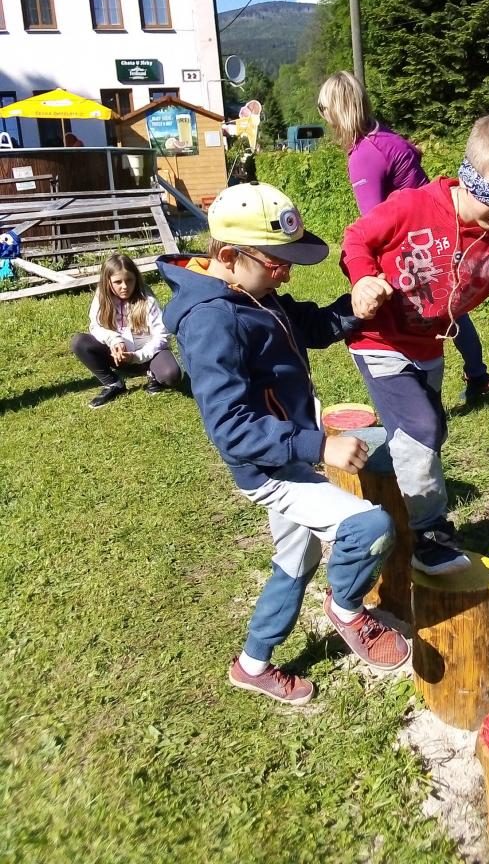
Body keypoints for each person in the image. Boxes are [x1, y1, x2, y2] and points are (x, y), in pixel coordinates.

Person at [157, 182, 409, 705]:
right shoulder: (212, 321)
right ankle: (346, 609)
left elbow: (308, 325)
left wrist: (356, 307)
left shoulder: (254, 293)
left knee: (297, 559)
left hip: (284, 453)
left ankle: (252, 665)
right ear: (230, 256)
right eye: (277, 263)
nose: (287, 273)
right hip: (269, 467)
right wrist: (318, 447)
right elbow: (231, 427)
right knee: (369, 526)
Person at [340, 111, 489, 576]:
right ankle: (429, 536)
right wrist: (363, 279)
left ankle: (382, 488)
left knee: (428, 430)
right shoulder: (413, 206)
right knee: (421, 428)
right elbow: (357, 237)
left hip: (428, 349)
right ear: (470, 175)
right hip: (379, 341)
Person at [317, 70, 489, 403]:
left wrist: (366, 275)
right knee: (451, 306)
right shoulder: (385, 137)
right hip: (442, 229)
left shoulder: (365, 154)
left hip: (416, 240)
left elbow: (374, 222)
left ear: (337, 109)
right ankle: (477, 375)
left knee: (424, 311)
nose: (323, 116)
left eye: (323, 108)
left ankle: (410, 383)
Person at [71, 253, 181, 409]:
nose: (124, 286)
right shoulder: (102, 298)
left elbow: (162, 335)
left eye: (129, 280)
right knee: (79, 342)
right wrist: (114, 340)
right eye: (118, 282)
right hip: (118, 356)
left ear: (136, 278)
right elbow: (96, 326)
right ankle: (114, 383)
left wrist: (138, 356)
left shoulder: (147, 300)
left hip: (147, 356)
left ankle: (153, 374)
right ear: (107, 282)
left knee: (172, 375)